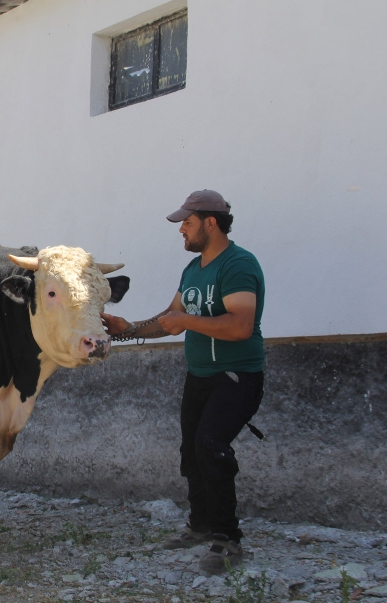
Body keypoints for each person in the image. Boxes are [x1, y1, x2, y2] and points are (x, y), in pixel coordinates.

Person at [101, 189, 265, 575]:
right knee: (192, 451)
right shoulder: (193, 271)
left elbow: (241, 326)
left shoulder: (239, 264)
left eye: (187, 224)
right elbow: (171, 317)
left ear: (210, 223)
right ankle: (201, 525)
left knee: (211, 445)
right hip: (200, 376)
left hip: (237, 376)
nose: (182, 232)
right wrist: (129, 329)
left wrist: (188, 321)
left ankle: (227, 539)